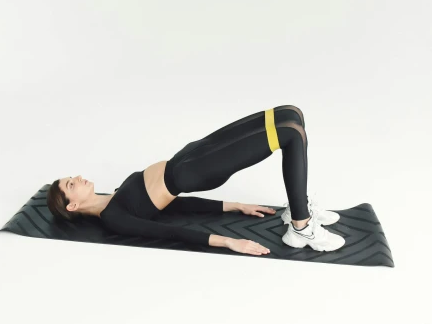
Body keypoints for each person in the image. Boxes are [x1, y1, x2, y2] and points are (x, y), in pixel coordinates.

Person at [46, 105, 345, 256]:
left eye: (72, 177)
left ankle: (297, 208)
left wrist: (234, 206)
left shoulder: (112, 198)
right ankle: (301, 227)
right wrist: (229, 241)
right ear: (72, 206)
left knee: (290, 114)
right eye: (72, 184)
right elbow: (169, 232)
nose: (79, 178)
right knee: (291, 135)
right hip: (195, 170)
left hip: (188, 156)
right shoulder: (112, 218)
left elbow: (176, 208)